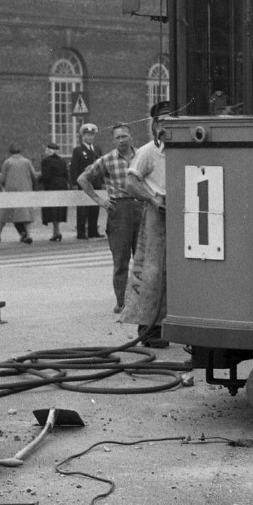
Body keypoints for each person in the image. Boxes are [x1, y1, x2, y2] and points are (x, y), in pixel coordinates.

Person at [77, 123, 141, 314]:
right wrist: (100, 201)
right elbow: (83, 178)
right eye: (117, 137)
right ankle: (122, 301)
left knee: (143, 259)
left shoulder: (142, 156)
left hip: (142, 206)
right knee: (121, 259)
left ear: (131, 137)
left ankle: (142, 300)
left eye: (124, 136)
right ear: (113, 140)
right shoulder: (107, 159)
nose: (121, 140)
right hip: (119, 210)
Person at [123, 102, 168, 345]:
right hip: (158, 212)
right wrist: (152, 199)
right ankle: (150, 329)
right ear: (153, 125)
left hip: (181, 211)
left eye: (170, 121)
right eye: (161, 121)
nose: (165, 126)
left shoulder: (183, 149)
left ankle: (170, 324)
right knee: (153, 270)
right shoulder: (148, 151)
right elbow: (130, 182)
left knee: (176, 271)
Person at [0, 143, 37, 243]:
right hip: (25, 191)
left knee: (5, 213)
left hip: (10, 191)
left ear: (10, 151)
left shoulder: (7, 162)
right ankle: (28, 234)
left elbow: (2, 179)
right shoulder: (27, 162)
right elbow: (34, 176)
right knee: (26, 214)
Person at [71, 123, 102, 240]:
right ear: (83, 137)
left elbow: (101, 166)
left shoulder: (97, 149)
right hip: (83, 184)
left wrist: (102, 181)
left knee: (95, 206)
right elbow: (74, 168)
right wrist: (74, 183)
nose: (90, 137)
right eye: (88, 135)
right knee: (83, 209)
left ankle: (93, 231)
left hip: (96, 183)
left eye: (92, 135)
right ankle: (81, 232)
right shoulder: (78, 150)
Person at [39, 143, 70, 241]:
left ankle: (56, 231)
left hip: (51, 186)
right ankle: (56, 231)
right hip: (62, 185)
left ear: (49, 150)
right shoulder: (62, 161)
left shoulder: (46, 161)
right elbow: (66, 174)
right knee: (58, 209)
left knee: (52, 209)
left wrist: (39, 179)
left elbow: (46, 176)